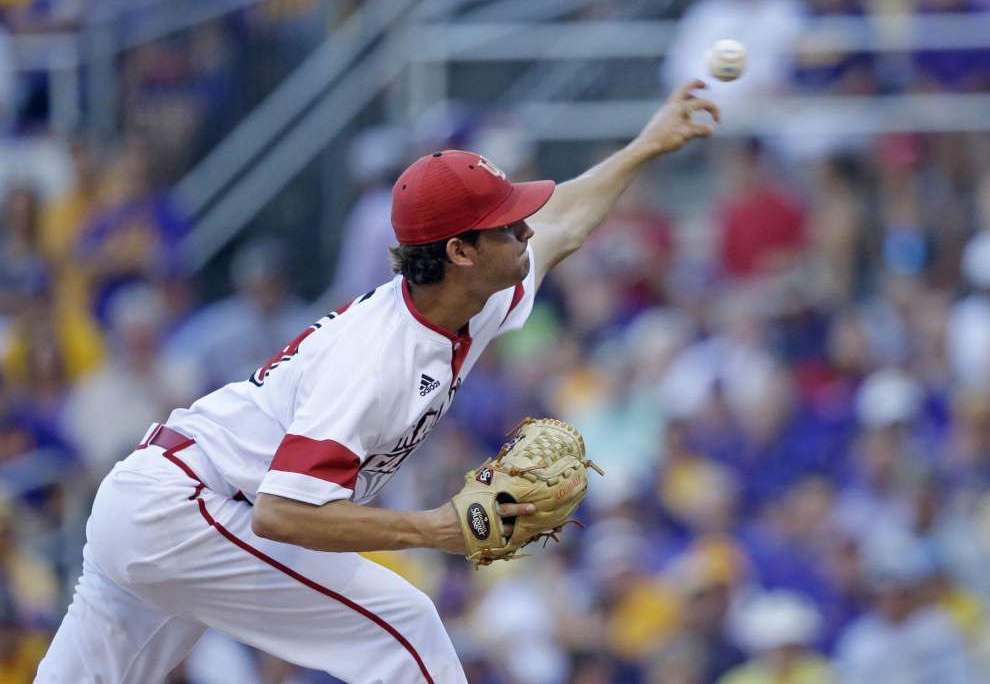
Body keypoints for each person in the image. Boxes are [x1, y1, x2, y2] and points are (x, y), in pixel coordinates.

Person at [34, 81, 719, 684]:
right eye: (508, 224)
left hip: (164, 505)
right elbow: (282, 512)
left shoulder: (472, 294)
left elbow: (564, 221)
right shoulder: (376, 358)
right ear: (460, 251)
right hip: (191, 509)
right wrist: (433, 527)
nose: (525, 229)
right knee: (408, 626)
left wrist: (646, 145)